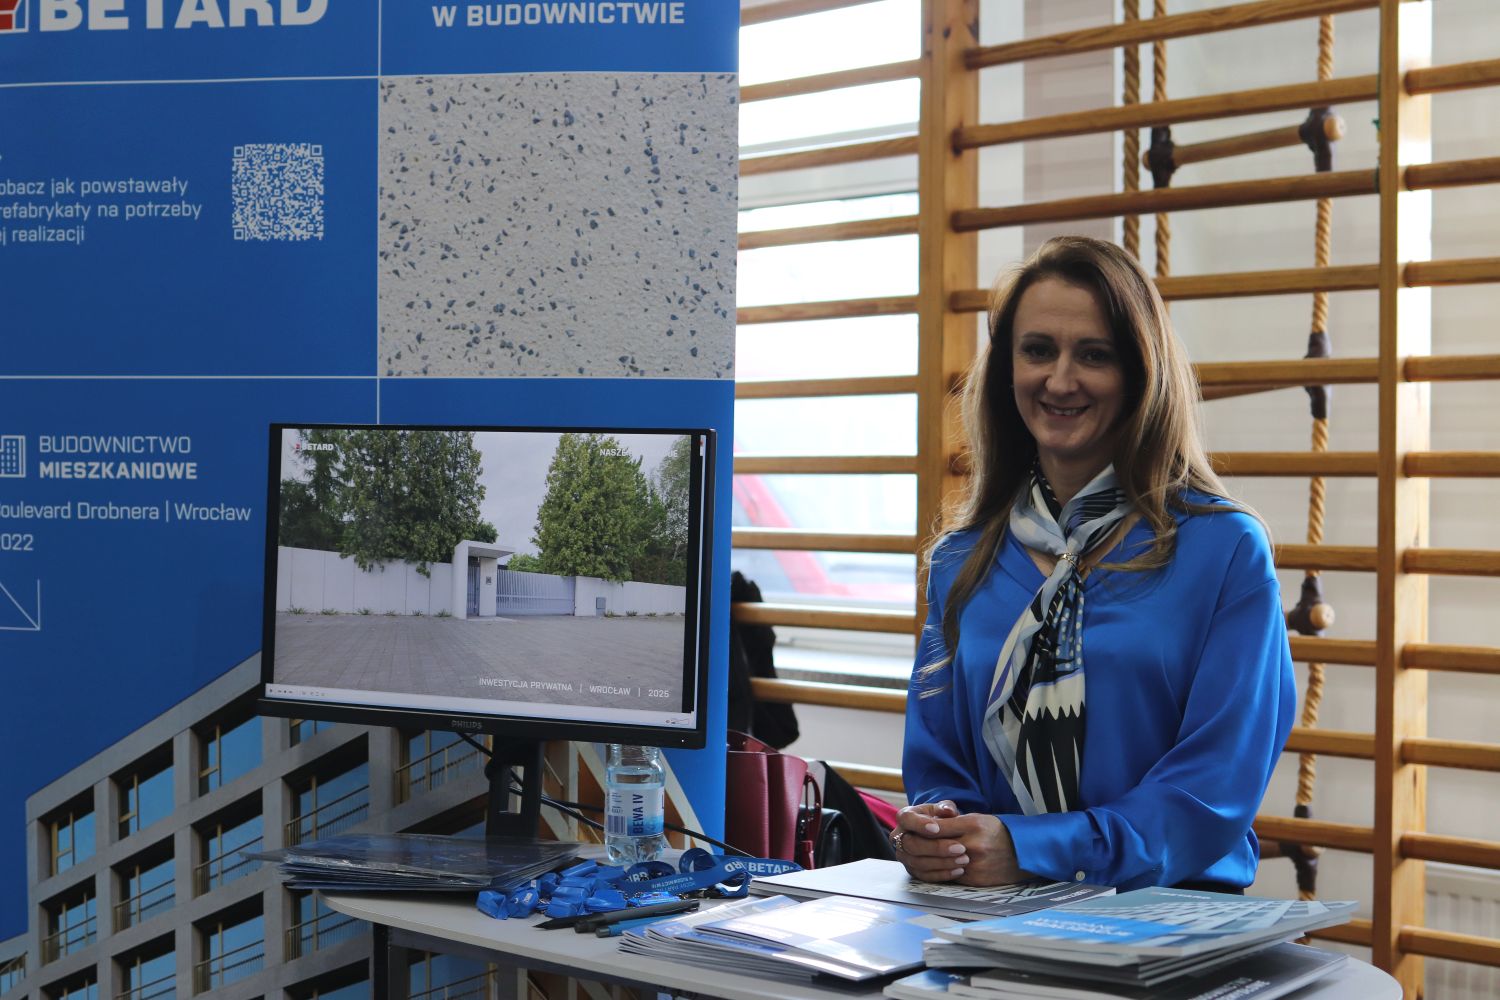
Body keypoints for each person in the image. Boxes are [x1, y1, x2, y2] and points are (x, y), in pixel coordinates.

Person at [896, 235, 1295, 893]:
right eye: (1037, 350)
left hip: (1167, 917)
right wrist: (943, 834)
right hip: (988, 911)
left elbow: (1212, 788)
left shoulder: (1224, 550)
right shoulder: (960, 561)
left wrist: (1037, 850)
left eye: (1094, 355)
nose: (1059, 381)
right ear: (1006, 369)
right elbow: (938, 763)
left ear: (1141, 373)